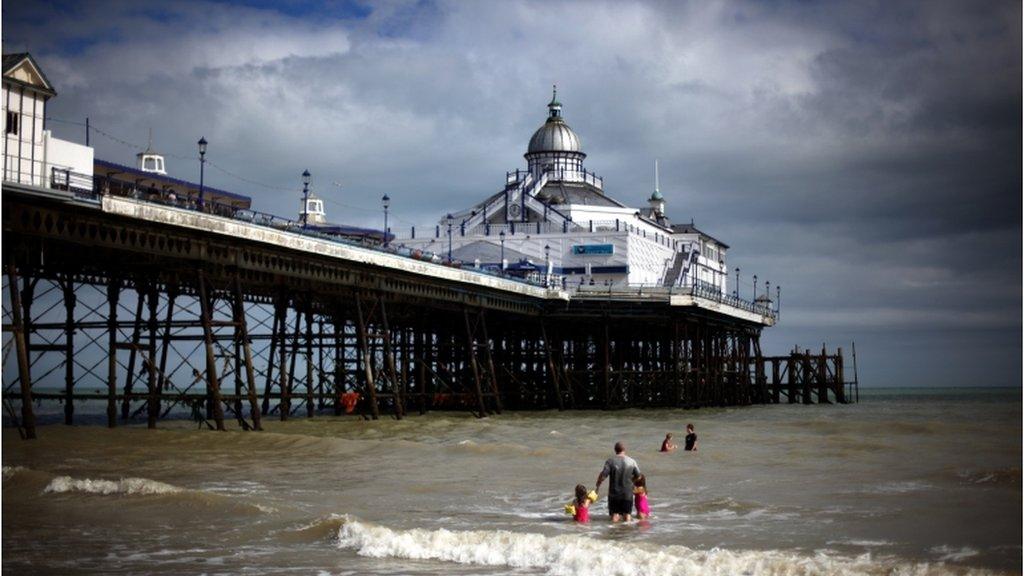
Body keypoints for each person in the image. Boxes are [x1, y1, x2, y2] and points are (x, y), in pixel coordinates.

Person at [596, 441, 642, 522]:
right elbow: (639, 476)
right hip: (627, 493)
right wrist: (631, 482)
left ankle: (614, 532)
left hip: (614, 493)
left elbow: (603, 475)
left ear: (615, 450)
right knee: (627, 514)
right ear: (624, 449)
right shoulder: (632, 461)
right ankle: (627, 532)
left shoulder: (610, 461)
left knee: (614, 515)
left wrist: (598, 484)